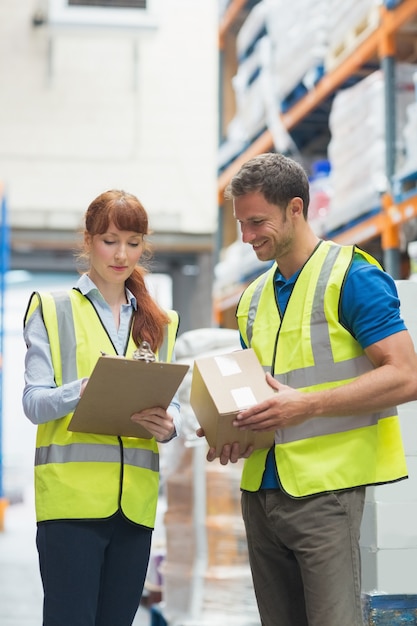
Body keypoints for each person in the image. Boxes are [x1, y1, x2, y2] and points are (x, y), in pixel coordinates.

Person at [201, 153, 417, 626]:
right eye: (241, 224)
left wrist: (308, 406)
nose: (247, 236)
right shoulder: (253, 299)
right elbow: (262, 393)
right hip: (260, 493)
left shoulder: (352, 277)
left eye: (257, 222)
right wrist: (228, 429)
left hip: (326, 494)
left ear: (296, 208)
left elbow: (406, 375)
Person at [22, 189, 181, 626]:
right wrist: (86, 388)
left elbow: (176, 407)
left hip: (135, 507)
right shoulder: (52, 310)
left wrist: (169, 426)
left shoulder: (160, 321)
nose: (121, 253)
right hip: (71, 506)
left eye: (133, 242)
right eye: (110, 240)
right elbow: (34, 403)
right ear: (89, 240)